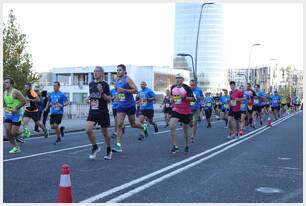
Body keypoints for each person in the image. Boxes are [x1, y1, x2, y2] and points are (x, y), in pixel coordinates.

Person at [113, 64, 146, 153]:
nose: (118, 72)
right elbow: (117, 91)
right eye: (117, 70)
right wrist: (117, 96)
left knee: (133, 125)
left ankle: (144, 126)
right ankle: (118, 146)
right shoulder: (116, 80)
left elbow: (136, 90)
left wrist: (124, 90)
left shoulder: (127, 79)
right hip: (121, 105)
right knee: (119, 124)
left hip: (130, 105)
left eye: (120, 70)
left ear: (124, 71)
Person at [85, 66, 113, 160]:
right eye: (94, 71)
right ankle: (95, 147)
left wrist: (102, 92)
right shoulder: (91, 84)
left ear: (101, 73)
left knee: (104, 132)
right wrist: (88, 98)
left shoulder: (105, 85)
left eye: (97, 71)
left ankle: (109, 149)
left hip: (102, 111)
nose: (95, 73)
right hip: (93, 110)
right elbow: (92, 96)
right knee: (88, 130)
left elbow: (109, 100)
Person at [169, 73, 195, 155]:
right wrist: (172, 100)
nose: (177, 79)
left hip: (186, 111)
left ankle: (187, 145)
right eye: (176, 78)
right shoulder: (173, 87)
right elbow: (171, 97)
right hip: (176, 109)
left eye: (179, 78)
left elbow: (193, 99)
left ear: (183, 80)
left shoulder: (187, 88)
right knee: (172, 126)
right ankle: (175, 146)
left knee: (185, 131)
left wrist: (185, 98)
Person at [3, 77, 27, 153]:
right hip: (8, 114)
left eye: (7, 82)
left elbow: (24, 101)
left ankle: (24, 131)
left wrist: (16, 108)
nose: (4, 84)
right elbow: (6, 103)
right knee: (7, 131)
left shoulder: (16, 92)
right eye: (4, 82)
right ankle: (15, 147)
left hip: (17, 114)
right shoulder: (4, 92)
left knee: (13, 133)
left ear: (11, 84)